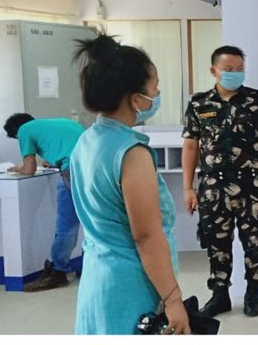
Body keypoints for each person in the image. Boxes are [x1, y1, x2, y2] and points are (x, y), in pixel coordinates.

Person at [69, 34, 188, 335]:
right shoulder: (131, 153)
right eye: (154, 86)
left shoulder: (86, 141)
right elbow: (147, 237)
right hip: (130, 286)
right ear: (136, 99)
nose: (158, 92)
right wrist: (173, 300)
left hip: (97, 281)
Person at [183, 46, 258, 319]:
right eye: (228, 69)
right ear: (213, 71)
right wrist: (188, 188)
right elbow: (190, 147)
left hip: (252, 187)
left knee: (255, 241)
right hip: (212, 188)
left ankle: (252, 294)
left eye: (239, 69)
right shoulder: (199, 104)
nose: (234, 74)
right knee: (216, 243)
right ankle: (220, 295)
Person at [3, 113, 84, 292]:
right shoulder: (61, 121)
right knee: (93, 220)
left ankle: (57, 272)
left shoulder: (24, 131)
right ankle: (88, 266)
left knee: (67, 224)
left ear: (17, 132)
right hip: (92, 166)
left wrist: (18, 168)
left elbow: (29, 169)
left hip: (72, 170)